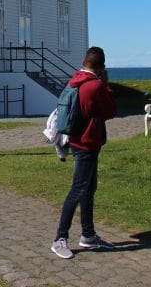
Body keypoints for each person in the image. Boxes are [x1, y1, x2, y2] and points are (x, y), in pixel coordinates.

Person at [51, 46, 118, 259]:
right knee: (79, 190)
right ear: (101, 67)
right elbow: (111, 111)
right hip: (87, 141)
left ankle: (88, 235)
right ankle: (60, 238)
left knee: (88, 188)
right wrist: (105, 86)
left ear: (84, 61)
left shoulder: (75, 80)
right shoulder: (95, 86)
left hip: (76, 139)